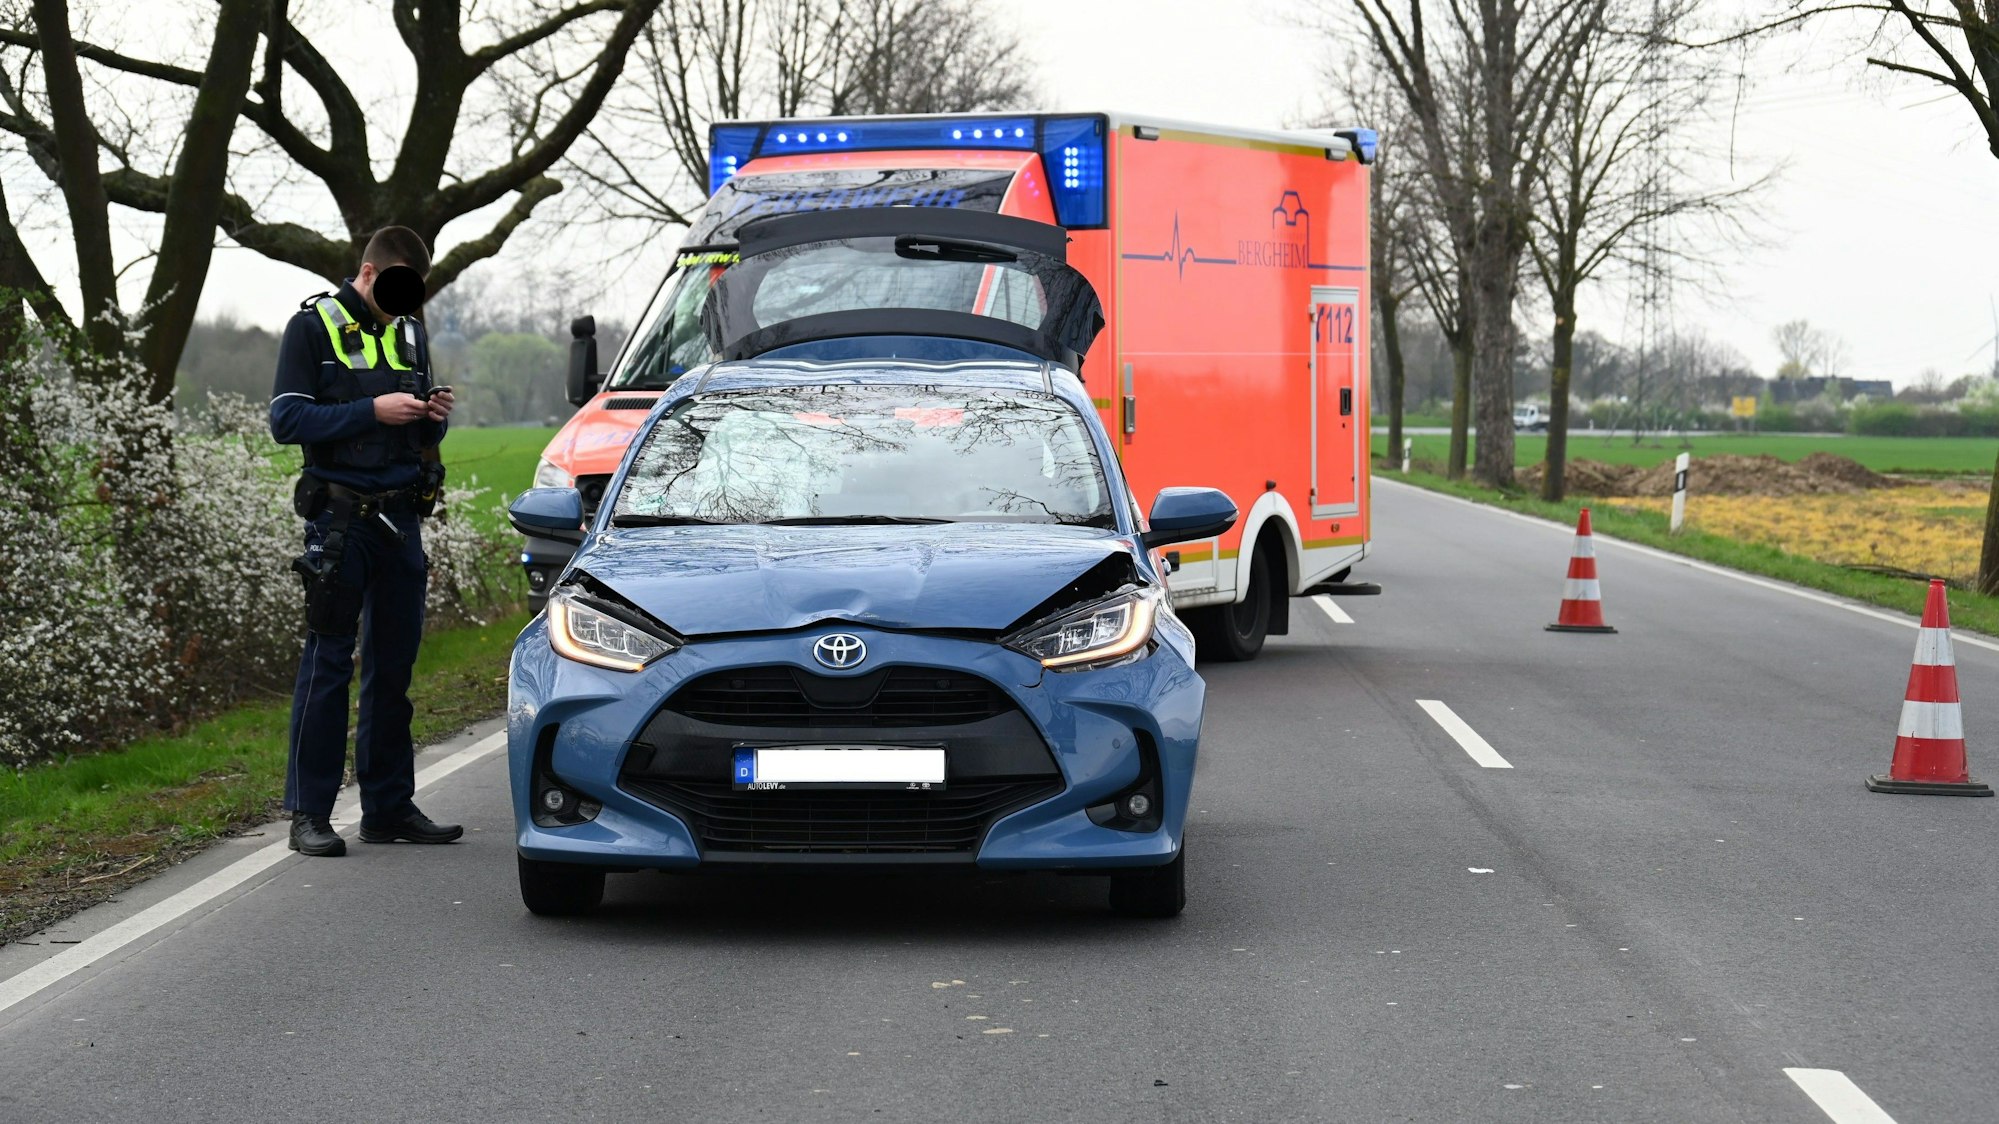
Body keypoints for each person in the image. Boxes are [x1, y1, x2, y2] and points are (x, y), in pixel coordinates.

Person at [269, 226, 461, 857]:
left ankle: (387, 807)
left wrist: (432, 414)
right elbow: (287, 419)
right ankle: (309, 814)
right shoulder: (312, 328)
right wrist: (372, 411)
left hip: (400, 519)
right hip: (340, 522)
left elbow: (413, 425)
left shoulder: (410, 330)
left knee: (393, 670)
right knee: (328, 666)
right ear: (369, 272)